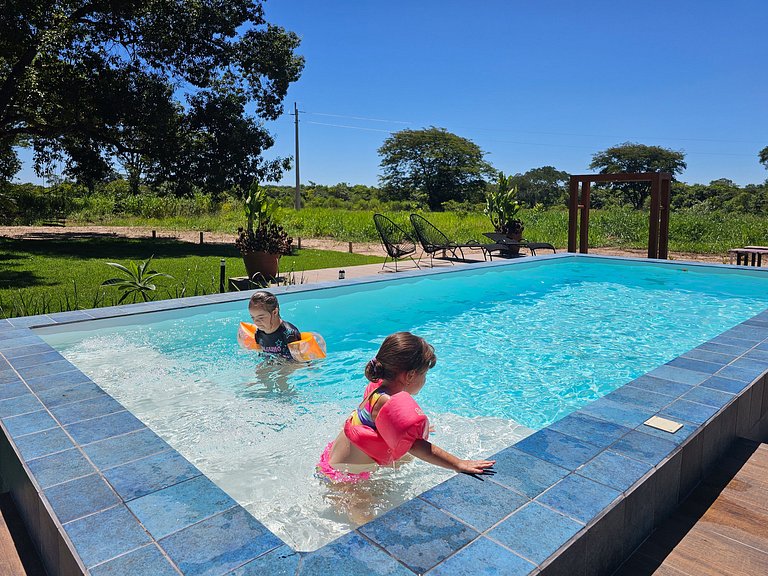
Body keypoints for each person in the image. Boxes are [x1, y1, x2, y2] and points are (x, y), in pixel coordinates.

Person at [316, 332, 496, 483]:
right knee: (365, 518)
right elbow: (416, 447)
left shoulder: (379, 387)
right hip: (348, 475)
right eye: (424, 374)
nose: (425, 380)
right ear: (410, 375)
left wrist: (407, 429)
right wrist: (459, 464)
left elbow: (386, 428)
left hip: (338, 457)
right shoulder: (386, 401)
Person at [247, 290, 301, 361]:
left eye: (261, 317)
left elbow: (299, 362)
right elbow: (261, 356)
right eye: (253, 317)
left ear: (275, 312)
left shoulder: (289, 333)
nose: (256, 321)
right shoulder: (259, 334)